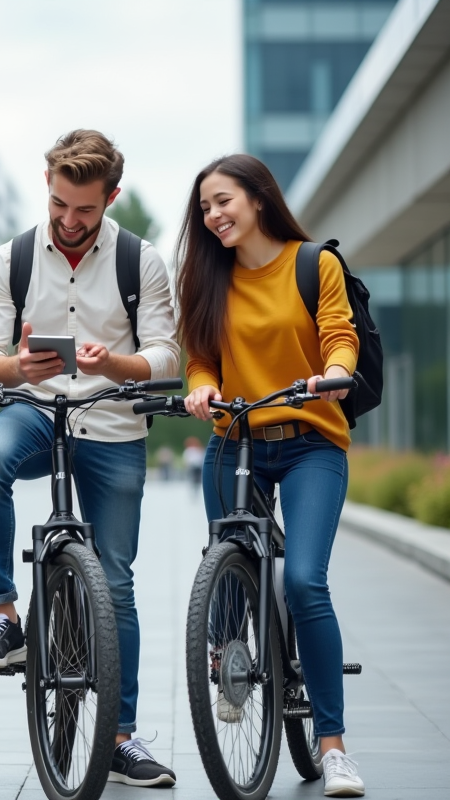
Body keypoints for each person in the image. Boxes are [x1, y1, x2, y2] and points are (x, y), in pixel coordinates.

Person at [0, 130, 180, 786]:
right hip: (35, 408)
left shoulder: (141, 261)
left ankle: (120, 738)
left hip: (112, 421)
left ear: (111, 197)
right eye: (59, 203)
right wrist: (15, 368)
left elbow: (167, 353)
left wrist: (116, 364)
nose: (69, 219)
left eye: (85, 208)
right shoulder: (12, 258)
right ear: (48, 186)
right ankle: (3, 615)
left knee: (115, 583)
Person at [176, 154, 364, 798]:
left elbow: (339, 335)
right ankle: (231, 662)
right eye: (205, 208)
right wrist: (202, 388)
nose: (213, 215)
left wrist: (335, 374)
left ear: (258, 199)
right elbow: (200, 358)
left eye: (223, 201)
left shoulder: (314, 264)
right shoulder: (208, 277)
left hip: (311, 441)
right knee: (227, 561)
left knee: (305, 581)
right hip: (236, 440)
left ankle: (333, 749)